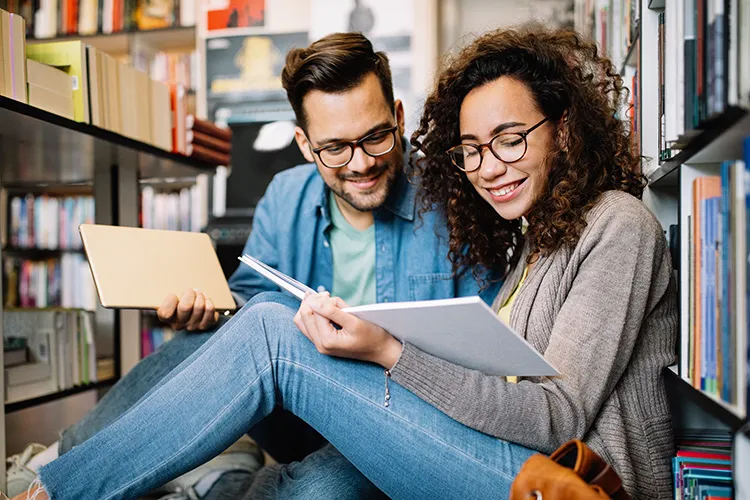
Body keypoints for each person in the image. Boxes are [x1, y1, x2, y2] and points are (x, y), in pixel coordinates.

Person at [14, 25, 678, 500]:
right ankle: (111, 472)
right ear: (305, 145)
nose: (487, 168)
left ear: (562, 128)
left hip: (556, 474)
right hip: (469, 439)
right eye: (472, 149)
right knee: (263, 322)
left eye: (509, 140)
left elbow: (553, 413)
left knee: (285, 366)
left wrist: (388, 350)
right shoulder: (538, 233)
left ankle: (74, 488)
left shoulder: (617, 225)